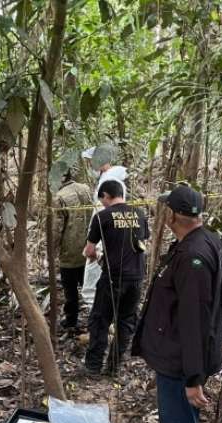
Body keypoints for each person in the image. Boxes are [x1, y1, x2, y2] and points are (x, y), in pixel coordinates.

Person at [132, 185, 222, 423]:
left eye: (166, 210)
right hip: (183, 354)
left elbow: (194, 319)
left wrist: (193, 377)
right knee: (185, 421)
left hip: (181, 360)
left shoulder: (193, 257)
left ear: (173, 216)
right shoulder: (204, 241)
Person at [83, 179, 149, 376]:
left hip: (113, 278)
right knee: (126, 322)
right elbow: (142, 242)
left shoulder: (102, 217)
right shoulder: (140, 214)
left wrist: (98, 257)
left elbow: (88, 250)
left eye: (102, 199)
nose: (102, 203)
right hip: (136, 278)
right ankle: (114, 367)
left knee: (100, 320)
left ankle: (93, 367)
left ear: (105, 196)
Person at [81, 144, 128, 309]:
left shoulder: (110, 179)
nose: (89, 165)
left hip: (105, 228)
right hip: (105, 227)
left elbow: (106, 208)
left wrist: (94, 239)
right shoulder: (108, 177)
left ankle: (94, 303)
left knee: (95, 263)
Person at [52, 171, 94, 329]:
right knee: (89, 285)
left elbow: (56, 229)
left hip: (69, 253)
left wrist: (52, 251)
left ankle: (71, 320)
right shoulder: (85, 189)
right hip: (90, 247)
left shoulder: (59, 197)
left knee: (70, 290)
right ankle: (95, 318)